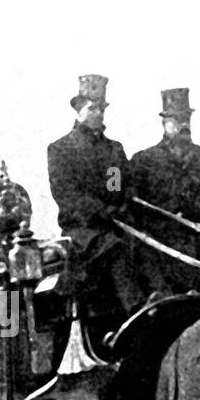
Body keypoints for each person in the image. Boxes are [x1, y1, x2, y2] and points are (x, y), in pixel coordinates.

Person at [47, 74, 148, 320]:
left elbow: (116, 185)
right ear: (78, 110)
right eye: (92, 108)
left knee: (143, 243)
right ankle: (137, 309)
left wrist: (121, 204)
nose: (99, 114)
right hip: (83, 229)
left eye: (102, 109)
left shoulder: (113, 150)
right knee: (114, 247)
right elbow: (67, 194)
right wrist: (102, 211)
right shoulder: (61, 150)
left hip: (115, 223)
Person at [127, 87, 200, 292]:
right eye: (176, 120)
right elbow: (131, 206)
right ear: (164, 123)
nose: (183, 125)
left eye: (186, 119)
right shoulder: (143, 161)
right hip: (164, 245)